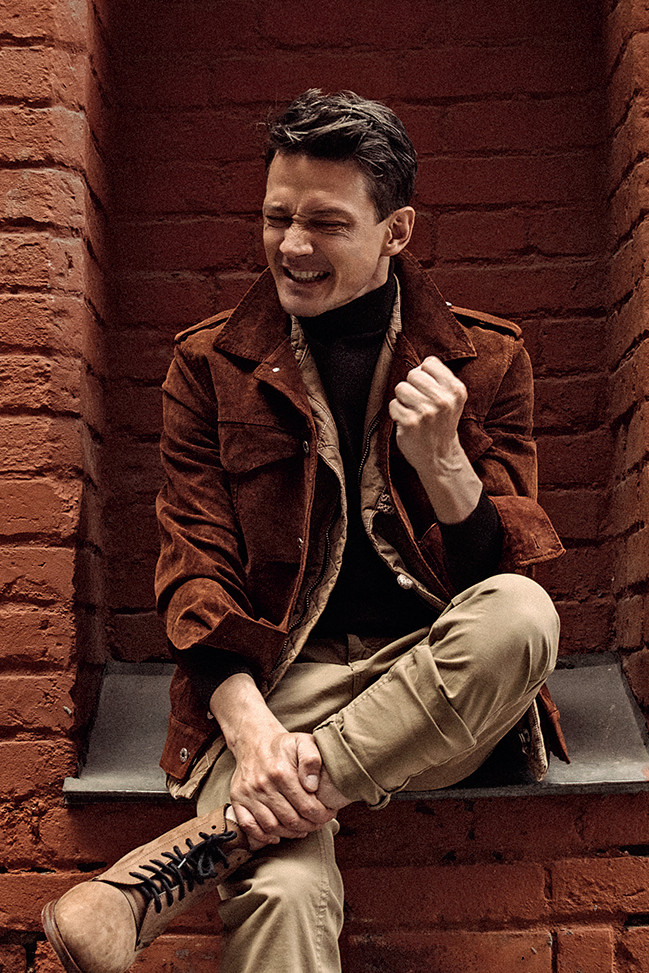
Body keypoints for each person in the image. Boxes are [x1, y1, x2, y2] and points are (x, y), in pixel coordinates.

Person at [42, 89, 568, 973]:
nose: (291, 244)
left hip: (427, 690)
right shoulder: (207, 365)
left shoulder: (487, 361)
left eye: (324, 223)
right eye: (276, 216)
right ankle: (272, 806)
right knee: (283, 889)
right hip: (276, 688)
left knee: (521, 616)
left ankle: (176, 865)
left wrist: (444, 462)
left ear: (395, 231)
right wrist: (252, 733)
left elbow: (502, 583)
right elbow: (193, 573)